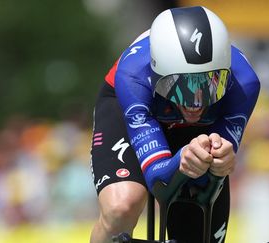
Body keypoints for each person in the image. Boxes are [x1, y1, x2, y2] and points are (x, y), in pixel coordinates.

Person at [90, 6, 260, 243]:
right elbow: (158, 181)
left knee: (199, 231)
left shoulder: (245, 83)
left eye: (211, 85)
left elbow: (207, 178)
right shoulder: (134, 76)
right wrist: (181, 161)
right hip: (139, 106)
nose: (196, 103)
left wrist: (220, 162)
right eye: (180, 87)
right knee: (122, 206)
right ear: (158, 74)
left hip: (192, 128)